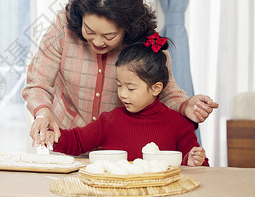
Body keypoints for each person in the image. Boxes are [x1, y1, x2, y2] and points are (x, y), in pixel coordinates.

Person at [22, 0, 218, 146]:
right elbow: (38, 83)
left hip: (120, 147)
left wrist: (185, 106)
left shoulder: (146, 42)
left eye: (109, 36)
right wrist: (42, 112)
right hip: (67, 139)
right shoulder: (63, 27)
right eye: (89, 31)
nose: (97, 42)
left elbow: (164, 93)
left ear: (127, 28)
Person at [39, 34, 208, 166]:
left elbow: (198, 166)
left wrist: (192, 161)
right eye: (119, 85)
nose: (123, 94)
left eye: (131, 88)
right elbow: (77, 140)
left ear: (156, 88)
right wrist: (51, 136)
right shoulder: (110, 121)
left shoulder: (179, 124)